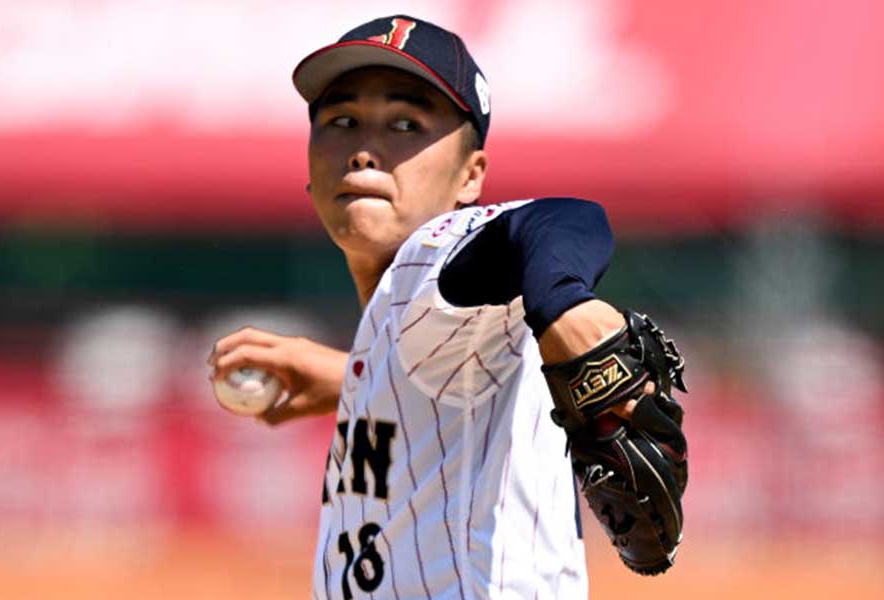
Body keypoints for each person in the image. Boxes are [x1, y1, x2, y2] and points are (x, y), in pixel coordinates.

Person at [208, 15, 650, 599]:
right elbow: (455, 381)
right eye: (341, 121)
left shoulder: (429, 262)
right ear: (310, 174)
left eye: (405, 124)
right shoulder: (422, 329)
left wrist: (565, 303)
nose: (365, 150)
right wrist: (356, 380)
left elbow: (563, 219)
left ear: (471, 176)